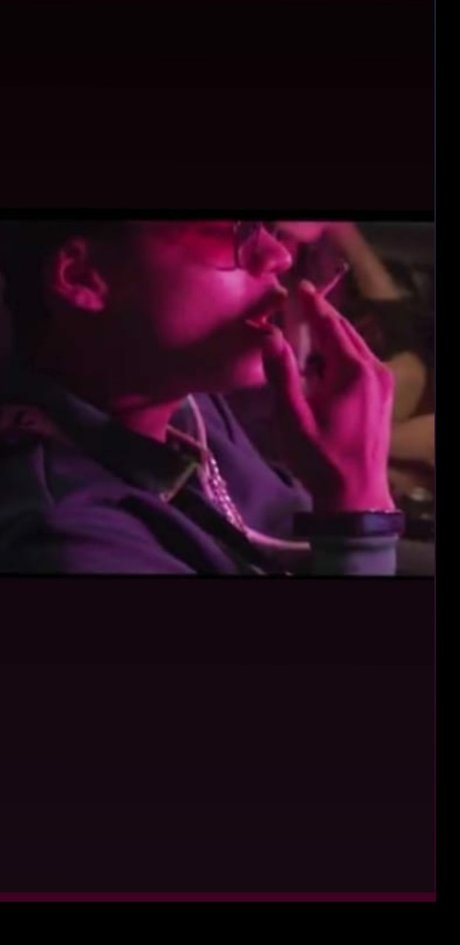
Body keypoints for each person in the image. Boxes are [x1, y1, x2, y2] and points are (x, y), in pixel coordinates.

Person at [0, 219, 402, 575]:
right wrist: (359, 508)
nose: (277, 255)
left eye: (260, 225)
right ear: (82, 276)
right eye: (229, 230)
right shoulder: (69, 540)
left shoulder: (183, 401)